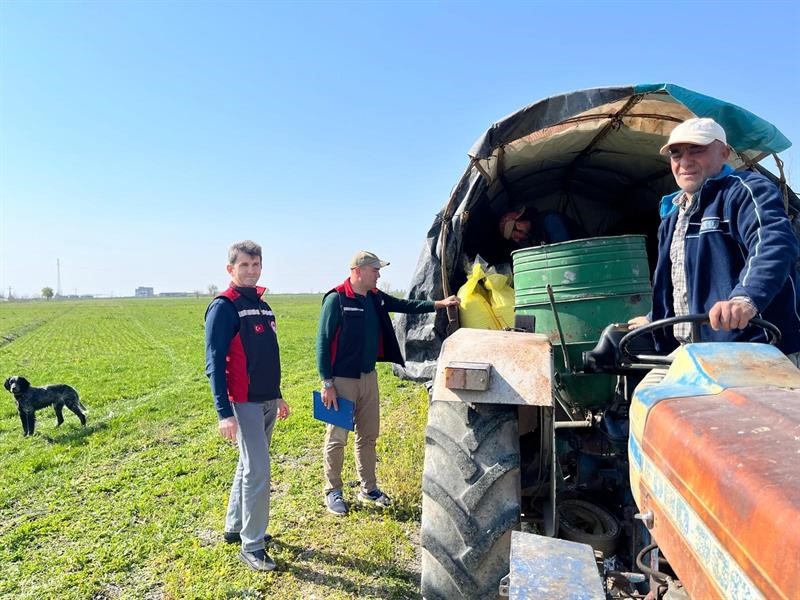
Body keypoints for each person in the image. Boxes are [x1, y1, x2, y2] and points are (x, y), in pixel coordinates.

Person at [629, 117, 800, 365]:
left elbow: (773, 243)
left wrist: (745, 299)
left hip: (754, 349)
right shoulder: (672, 215)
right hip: (692, 351)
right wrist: (654, 317)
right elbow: (678, 284)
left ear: (724, 153)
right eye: (676, 154)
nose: (684, 161)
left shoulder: (744, 191)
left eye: (696, 149)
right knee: (646, 397)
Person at [316, 250, 460, 515]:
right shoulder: (336, 299)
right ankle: (333, 490)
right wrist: (327, 383)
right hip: (341, 381)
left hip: (368, 377)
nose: (379, 274)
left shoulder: (374, 298)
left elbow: (405, 305)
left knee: (368, 435)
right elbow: (322, 344)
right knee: (337, 437)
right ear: (358, 271)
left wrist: (439, 304)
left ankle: (368, 489)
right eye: (375, 270)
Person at [204, 240, 291, 572]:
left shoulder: (263, 306)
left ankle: (235, 525)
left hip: (267, 398)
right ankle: (252, 545)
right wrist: (224, 412)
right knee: (258, 470)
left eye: (256, 265)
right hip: (243, 402)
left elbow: (267, 356)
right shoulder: (223, 307)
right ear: (231, 269)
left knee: (248, 465)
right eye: (244, 266)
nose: (251, 271)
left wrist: (278, 394)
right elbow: (214, 362)